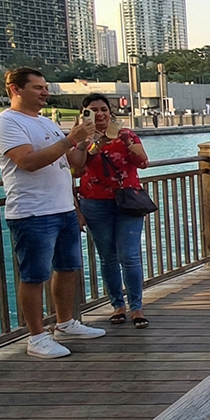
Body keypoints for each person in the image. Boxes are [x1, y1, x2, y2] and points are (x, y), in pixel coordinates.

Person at [0, 68, 105, 358]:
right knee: (34, 275)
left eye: (45, 87)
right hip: (32, 212)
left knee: (68, 269)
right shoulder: (5, 122)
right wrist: (70, 139)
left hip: (63, 208)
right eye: (37, 87)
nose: (45, 92)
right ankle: (36, 337)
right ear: (15, 89)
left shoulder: (45, 122)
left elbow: (73, 162)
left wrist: (85, 142)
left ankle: (65, 323)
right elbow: (27, 162)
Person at [75, 93, 150, 328]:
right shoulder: (80, 139)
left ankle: (136, 307)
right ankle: (117, 305)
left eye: (104, 109)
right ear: (84, 114)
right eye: (93, 110)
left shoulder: (126, 134)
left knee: (130, 256)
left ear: (110, 112)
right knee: (108, 257)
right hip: (94, 203)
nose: (99, 114)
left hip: (128, 201)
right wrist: (90, 144)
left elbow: (143, 162)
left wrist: (126, 141)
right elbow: (76, 169)